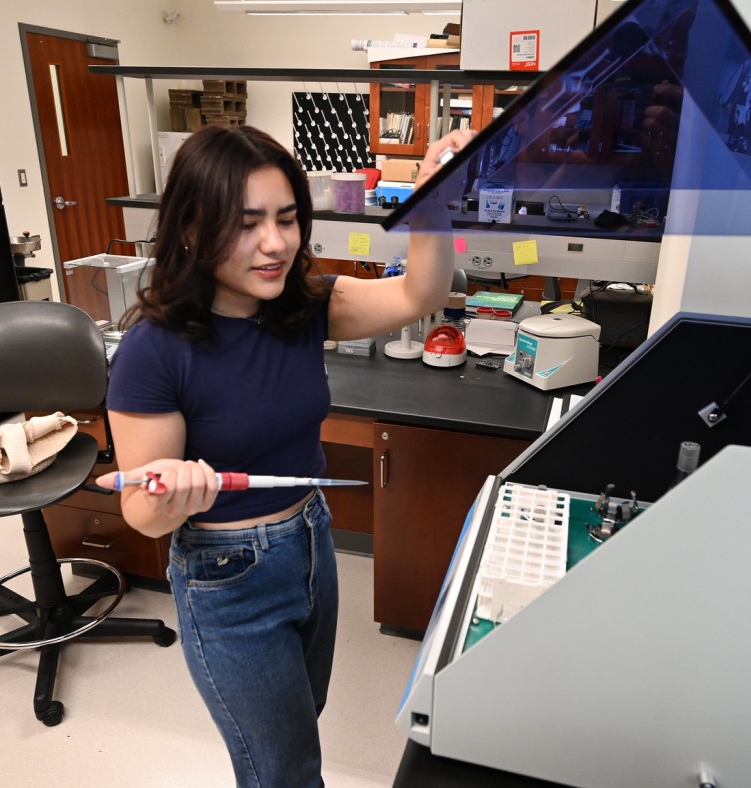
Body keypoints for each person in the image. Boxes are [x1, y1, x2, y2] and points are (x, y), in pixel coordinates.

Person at [95, 124, 475, 787]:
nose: (275, 243)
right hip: (227, 575)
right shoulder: (153, 352)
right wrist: (169, 493)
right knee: (284, 773)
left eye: (286, 218)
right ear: (191, 229)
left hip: (311, 542)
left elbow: (421, 294)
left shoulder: (304, 307)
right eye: (246, 224)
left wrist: (435, 206)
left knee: (304, 721)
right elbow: (142, 513)